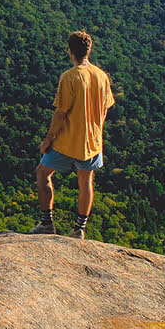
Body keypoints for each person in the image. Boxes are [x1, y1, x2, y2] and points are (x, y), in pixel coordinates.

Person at [31, 30, 115, 238]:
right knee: (85, 182)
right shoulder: (101, 76)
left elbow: (60, 113)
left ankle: (46, 223)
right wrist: (95, 129)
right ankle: (79, 229)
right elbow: (105, 110)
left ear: (70, 52)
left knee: (43, 173)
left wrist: (47, 140)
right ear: (89, 50)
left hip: (67, 141)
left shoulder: (69, 77)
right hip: (92, 141)